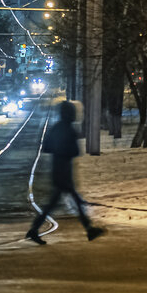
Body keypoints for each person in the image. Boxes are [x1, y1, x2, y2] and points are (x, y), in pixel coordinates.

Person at [26, 100, 106, 245]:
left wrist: (59, 150)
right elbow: (75, 151)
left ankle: (35, 230)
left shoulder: (56, 127)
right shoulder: (69, 129)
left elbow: (46, 147)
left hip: (58, 170)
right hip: (64, 172)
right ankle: (89, 229)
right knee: (71, 201)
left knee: (57, 203)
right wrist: (66, 150)